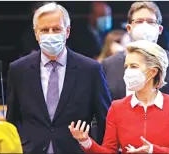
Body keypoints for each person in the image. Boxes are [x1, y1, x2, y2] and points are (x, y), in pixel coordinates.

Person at [6, 2, 111, 154]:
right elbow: (13, 120)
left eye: (56, 29)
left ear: (67, 31)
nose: (50, 34)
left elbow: (104, 119)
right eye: (44, 30)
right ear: (36, 33)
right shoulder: (19, 70)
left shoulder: (90, 69)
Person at [101, 2, 169, 153]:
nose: (145, 26)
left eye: (150, 22)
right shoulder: (109, 65)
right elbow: (99, 114)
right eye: (139, 21)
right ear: (129, 28)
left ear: (160, 29)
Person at [69, 40, 169, 153]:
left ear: (153, 71)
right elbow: (109, 151)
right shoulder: (117, 107)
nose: (128, 72)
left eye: (134, 66)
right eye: (126, 67)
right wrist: (87, 142)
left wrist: (152, 150)